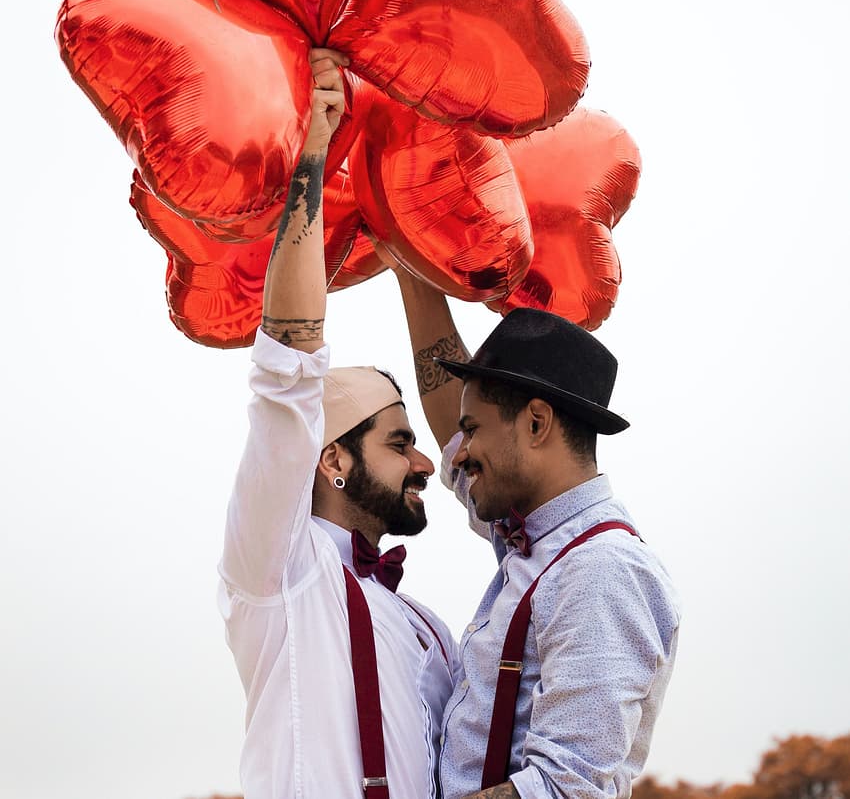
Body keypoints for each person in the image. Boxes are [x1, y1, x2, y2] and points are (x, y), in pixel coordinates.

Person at [219, 49, 458, 799]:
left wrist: (414, 256)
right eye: (399, 442)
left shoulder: (429, 629)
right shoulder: (277, 567)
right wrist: (312, 156)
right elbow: (287, 373)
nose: (426, 465)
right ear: (331, 462)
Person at [387, 266, 681, 799]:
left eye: (474, 430)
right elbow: (452, 434)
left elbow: (565, 789)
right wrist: (414, 272)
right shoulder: (536, 541)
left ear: (537, 424)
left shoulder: (599, 569)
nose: (461, 451)